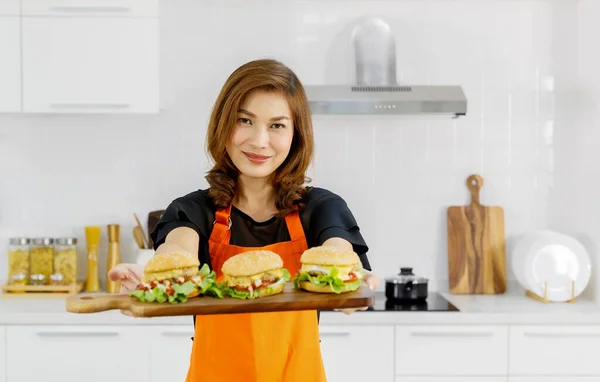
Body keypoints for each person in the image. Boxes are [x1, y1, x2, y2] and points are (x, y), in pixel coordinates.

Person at [108, 58, 380, 382]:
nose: (259, 141)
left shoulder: (320, 208)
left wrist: (347, 278)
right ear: (223, 125)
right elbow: (178, 250)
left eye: (277, 125)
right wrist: (154, 277)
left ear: (296, 135)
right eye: (244, 120)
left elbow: (337, 249)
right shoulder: (194, 210)